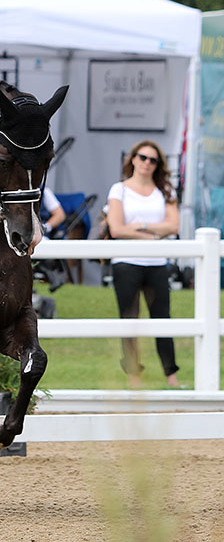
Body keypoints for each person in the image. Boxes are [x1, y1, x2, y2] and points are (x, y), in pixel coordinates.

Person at [106, 140, 180, 388]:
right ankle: (134, 378)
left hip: (157, 262)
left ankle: (172, 378)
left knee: (162, 319)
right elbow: (116, 229)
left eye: (153, 159)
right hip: (126, 262)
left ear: (159, 164)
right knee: (130, 318)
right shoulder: (120, 189)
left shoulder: (165, 190)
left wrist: (142, 227)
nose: (147, 163)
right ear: (133, 159)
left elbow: (174, 225)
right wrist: (153, 233)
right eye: (143, 157)